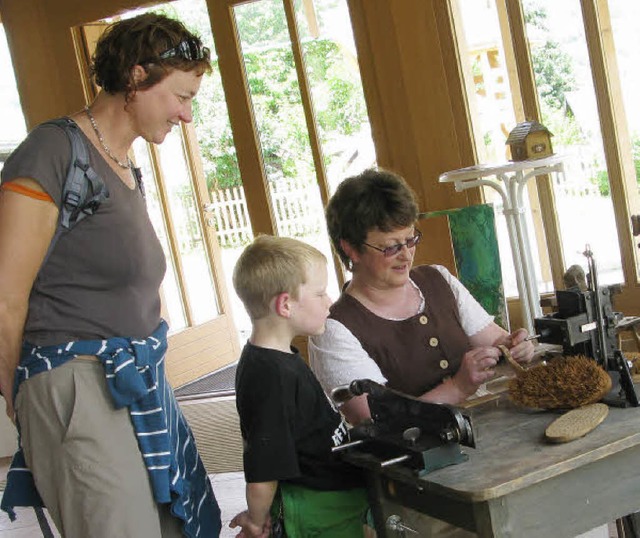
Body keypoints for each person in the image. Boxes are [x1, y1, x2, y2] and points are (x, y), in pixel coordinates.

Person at [0, 13, 221, 537]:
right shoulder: (54, 151)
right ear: (137, 78)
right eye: (182, 97)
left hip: (131, 379)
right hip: (75, 382)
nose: (187, 115)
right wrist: (19, 397)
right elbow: (4, 297)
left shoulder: (121, 163)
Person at [309, 168, 535, 427]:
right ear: (351, 249)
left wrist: (515, 346)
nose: (406, 255)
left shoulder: (438, 279)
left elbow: (496, 340)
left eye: (411, 239)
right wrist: (457, 388)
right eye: (391, 247)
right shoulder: (335, 330)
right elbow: (374, 420)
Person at [229, 235, 371, 538]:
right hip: (318, 503)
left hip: (334, 488)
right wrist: (256, 519)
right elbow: (263, 466)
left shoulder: (277, 357)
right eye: (320, 293)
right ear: (285, 304)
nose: (329, 300)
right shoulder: (269, 377)